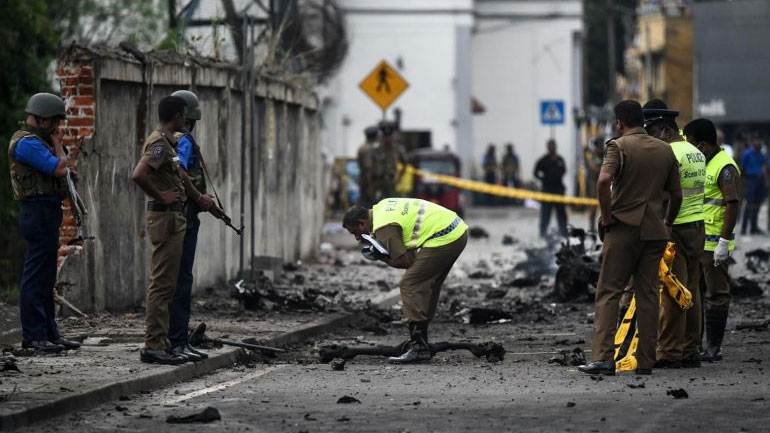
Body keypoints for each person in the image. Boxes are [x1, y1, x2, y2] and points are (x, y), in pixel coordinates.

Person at [578, 100, 681, 376]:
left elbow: (602, 182)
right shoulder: (664, 150)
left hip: (623, 228)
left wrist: (608, 217)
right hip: (654, 231)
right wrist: (667, 224)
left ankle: (603, 358)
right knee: (648, 294)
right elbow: (676, 195)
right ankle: (646, 360)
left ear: (620, 123)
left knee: (609, 292)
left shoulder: (618, 146)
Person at [131, 96, 216, 365]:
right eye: (184, 116)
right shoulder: (159, 143)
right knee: (162, 284)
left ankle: (165, 342)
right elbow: (139, 174)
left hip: (174, 218)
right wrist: (160, 195)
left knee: (169, 283)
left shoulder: (169, 143)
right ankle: (154, 344)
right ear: (179, 116)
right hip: (165, 218)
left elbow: (180, 176)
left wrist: (201, 199)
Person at [342, 198, 468, 364]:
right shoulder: (381, 207)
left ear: (362, 222)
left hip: (445, 236)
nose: (358, 238)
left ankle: (419, 347)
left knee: (410, 284)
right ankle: (421, 340)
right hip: (456, 230)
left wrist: (383, 257)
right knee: (428, 282)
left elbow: (406, 261)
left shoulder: (382, 227)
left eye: (355, 232)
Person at [8, 93, 82, 353]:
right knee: (36, 276)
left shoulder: (39, 141)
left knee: (47, 276)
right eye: (53, 122)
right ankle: (34, 336)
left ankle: (51, 333)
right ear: (40, 119)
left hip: (47, 212)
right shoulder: (26, 143)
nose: (56, 128)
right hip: (36, 212)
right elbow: (58, 169)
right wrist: (59, 147)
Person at [643, 99, 706, 369]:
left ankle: (670, 352)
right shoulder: (695, 152)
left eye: (653, 133)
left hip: (676, 227)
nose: (652, 139)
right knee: (692, 289)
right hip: (697, 227)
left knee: (672, 291)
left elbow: (665, 195)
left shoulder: (669, 154)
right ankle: (691, 348)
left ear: (665, 130)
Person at [167, 90, 224, 362]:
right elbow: (179, 172)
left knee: (174, 279)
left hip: (177, 214)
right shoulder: (184, 141)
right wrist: (200, 197)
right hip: (184, 216)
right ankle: (176, 341)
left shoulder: (168, 140)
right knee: (181, 280)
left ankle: (175, 339)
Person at [683, 118, 741, 362]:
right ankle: (695, 345)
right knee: (695, 294)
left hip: (714, 245)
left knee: (716, 294)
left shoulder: (725, 167)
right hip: (698, 242)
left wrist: (724, 242)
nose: (692, 149)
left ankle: (713, 348)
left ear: (704, 145)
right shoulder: (703, 163)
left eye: (693, 144)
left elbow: (733, 204)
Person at [534, 139, 568, 237]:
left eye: (553, 145)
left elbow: (564, 170)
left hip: (559, 191)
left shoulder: (560, 159)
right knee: (545, 214)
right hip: (547, 191)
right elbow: (535, 172)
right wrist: (543, 179)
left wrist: (557, 176)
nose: (552, 147)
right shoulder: (543, 160)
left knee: (561, 215)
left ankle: (564, 234)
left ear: (556, 146)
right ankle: (542, 234)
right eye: (550, 145)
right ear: (547, 147)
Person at [370, 121, 406, 201]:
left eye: (389, 136)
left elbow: (405, 164)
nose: (387, 139)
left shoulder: (397, 148)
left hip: (391, 181)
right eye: (385, 136)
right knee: (377, 203)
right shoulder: (376, 149)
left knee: (392, 202)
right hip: (377, 182)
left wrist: (399, 178)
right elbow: (371, 166)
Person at [739, 134, 766, 235]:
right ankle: (744, 228)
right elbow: (742, 168)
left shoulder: (761, 154)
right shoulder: (747, 153)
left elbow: (763, 166)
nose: (758, 142)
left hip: (759, 180)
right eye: (756, 140)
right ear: (753, 141)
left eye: (759, 140)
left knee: (757, 204)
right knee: (749, 204)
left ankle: (754, 227)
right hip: (750, 181)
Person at [584, 136, 605, 231]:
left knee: (605, 209)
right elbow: (593, 170)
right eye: (599, 147)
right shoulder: (593, 157)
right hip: (593, 186)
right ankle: (592, 227)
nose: (600, 149)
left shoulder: (605, 156)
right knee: (592, 209)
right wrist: (585, 154)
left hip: (604, 186)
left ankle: (604, 227)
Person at [357, 126, 378, 206]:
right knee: (367, 205)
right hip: (367, 182)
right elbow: (367, 168)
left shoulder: (364, 147)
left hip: (365, 180)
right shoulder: (367, 149)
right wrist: (370, 187)